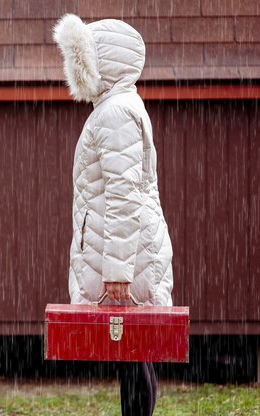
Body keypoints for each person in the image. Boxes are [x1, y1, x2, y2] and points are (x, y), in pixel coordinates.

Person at [53, 14, 174, 416]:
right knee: (133, 354)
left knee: (134, 353)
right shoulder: (118, 108)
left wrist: (118, 273)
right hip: (126, 251)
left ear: (102, 62)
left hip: (127, 257)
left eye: (82, 59)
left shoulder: (116, 114)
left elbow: (124, 196)